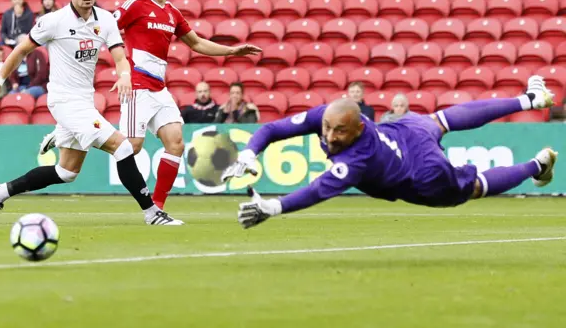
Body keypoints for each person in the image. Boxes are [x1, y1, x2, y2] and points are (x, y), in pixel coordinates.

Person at [40, 0, 261, 212]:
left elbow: (197, 43)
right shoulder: (135, 5)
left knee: (176, 143)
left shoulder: (172, 13)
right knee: (131, 147)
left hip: (159, 90)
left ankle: (157, 207)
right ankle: (67, 133)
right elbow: (104, 27)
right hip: (137, 89)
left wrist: (232, 52)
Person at [0, 0, 182, 226]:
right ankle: (152, 213)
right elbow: (21, 50)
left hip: (84, 100)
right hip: (64, 101)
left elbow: (120, 56)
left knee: (66, 172)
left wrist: (124, 75)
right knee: (122, 147)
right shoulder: (55, 21)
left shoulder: (106, 20)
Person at [225, 76, 558, 229]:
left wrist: (274, 206)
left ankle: (536, 165)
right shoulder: (330, 114)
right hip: (405, 131)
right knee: (440, 119)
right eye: (326, 128)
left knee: (470, 189)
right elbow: (270, 129)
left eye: (339, 132)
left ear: (357, 128)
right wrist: (249, 153)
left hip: (421, 173)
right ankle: (528, 98)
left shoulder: (356, 159)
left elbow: (317, 190)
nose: (329, 136)